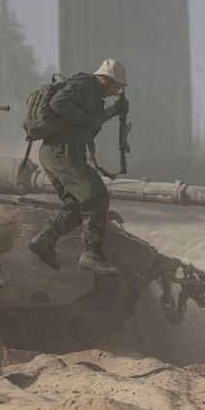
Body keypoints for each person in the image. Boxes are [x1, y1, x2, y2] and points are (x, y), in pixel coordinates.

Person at [28, 59, 130, 276]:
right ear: (105, 79)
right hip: (62, 153)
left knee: (75, 207)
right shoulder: (85, 84)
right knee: (97, 195)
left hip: (62, 154)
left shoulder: (95, 94)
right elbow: (58, 103)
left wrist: (113, 111)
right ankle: (92, 253)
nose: (115, 92)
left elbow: (92, 123)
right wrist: (87, 120)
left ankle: (44, 241)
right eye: (116, 87)